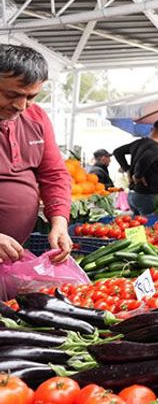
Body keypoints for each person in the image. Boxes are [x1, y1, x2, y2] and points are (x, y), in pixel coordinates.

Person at [0, 44, 72, 264]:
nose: (22, 105)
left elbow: (54, 174)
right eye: (12, 94)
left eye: (32, 96)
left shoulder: (37, 117)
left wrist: (59, 221)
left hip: (11, 254)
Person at [113, 120, 158, 216]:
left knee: (137, 227)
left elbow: (117, 152)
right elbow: (144, 160)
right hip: (146, 196)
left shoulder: (138, 143)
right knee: (148, 227)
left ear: (152, 129)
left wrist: (127, 169)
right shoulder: (155, 147)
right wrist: (138, 175)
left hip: (133, 195)